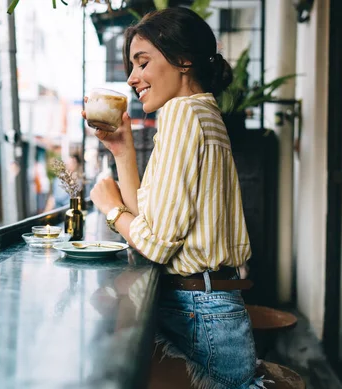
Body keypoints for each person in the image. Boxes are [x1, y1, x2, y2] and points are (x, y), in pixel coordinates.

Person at [85, 7, 260, 389]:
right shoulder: (204, 111)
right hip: (211, 306)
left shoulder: (181, 114)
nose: (132, 78)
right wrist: (123, 151)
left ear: (184, 59)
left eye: (142, 62)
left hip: (198, 314)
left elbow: (156, 243)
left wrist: (110, 207)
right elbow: (149, 218)